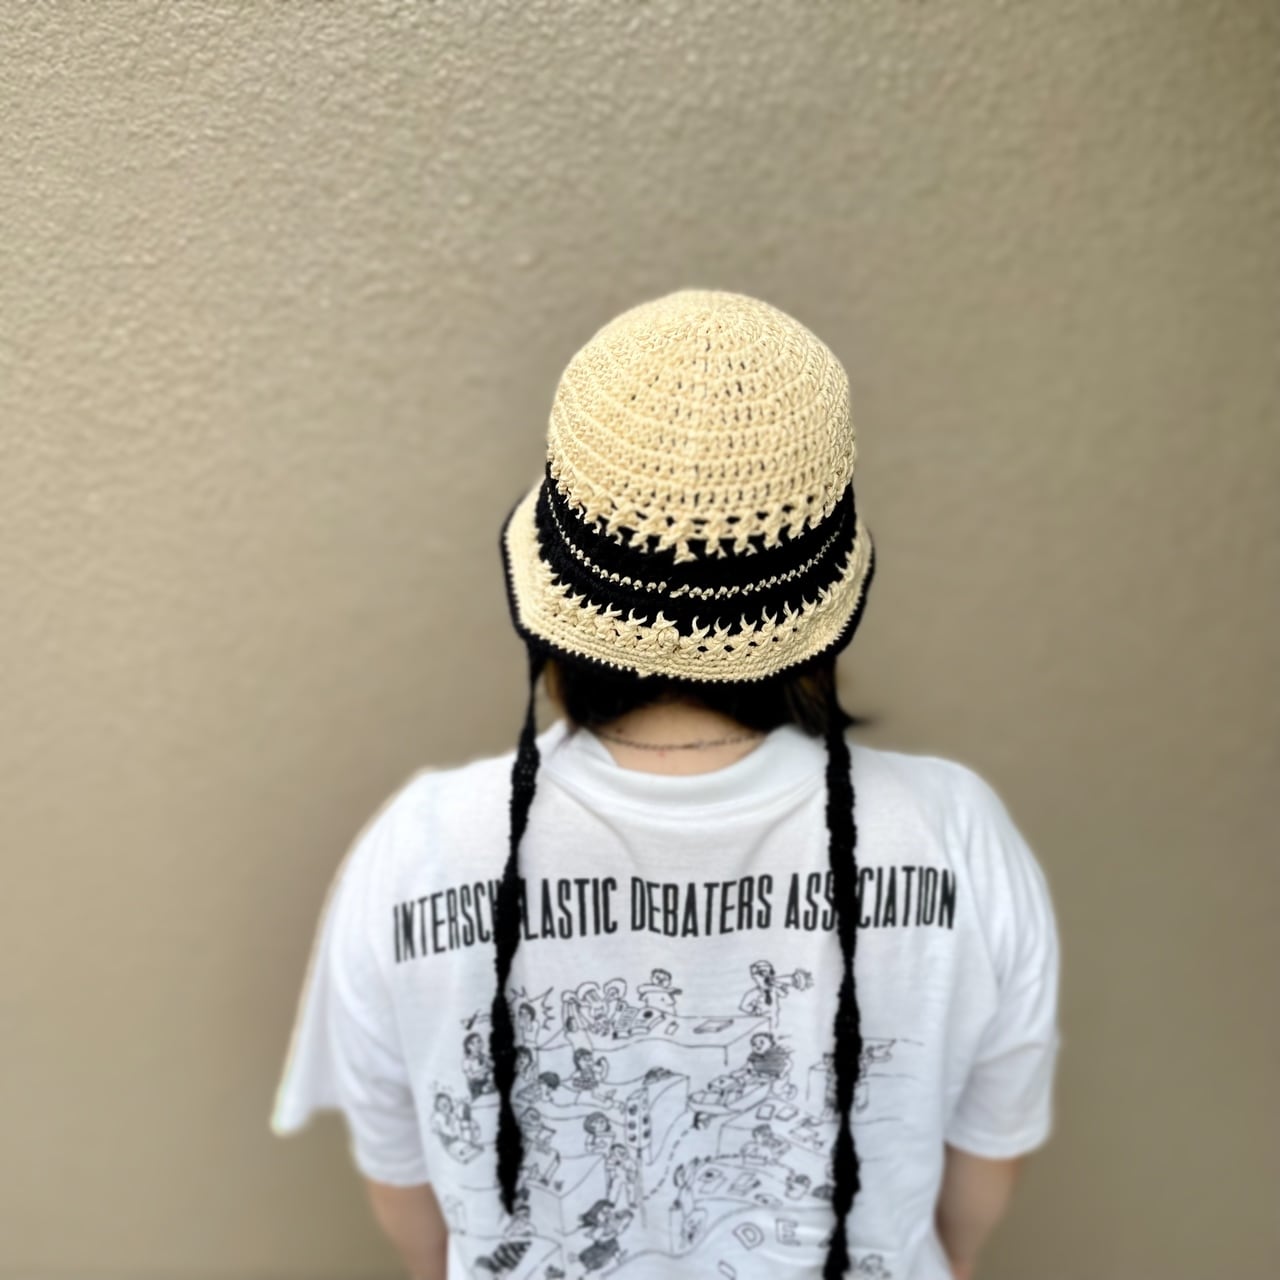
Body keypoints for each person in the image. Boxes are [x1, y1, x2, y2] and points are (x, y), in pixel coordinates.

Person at [270, 289, 1062, 1280]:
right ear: (827, 591)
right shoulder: (953, 834)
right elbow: (981, 1175)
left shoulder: (418, 847)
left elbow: (410, 1198)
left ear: (551, 584)